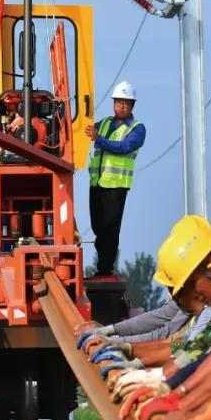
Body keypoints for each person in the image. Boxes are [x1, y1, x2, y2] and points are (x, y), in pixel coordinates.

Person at [84, 81, 146, 276]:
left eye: (125, 103)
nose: (121, 106)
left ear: (132, 106)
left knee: (110, 229)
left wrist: (99, 139)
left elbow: (124, 148)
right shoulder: (103, 123)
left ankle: (105, 268)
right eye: (118, 102)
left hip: (116, 186)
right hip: (97, 182)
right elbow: (84, 131)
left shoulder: (137, 128)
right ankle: (102, 263)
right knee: (97, 225)